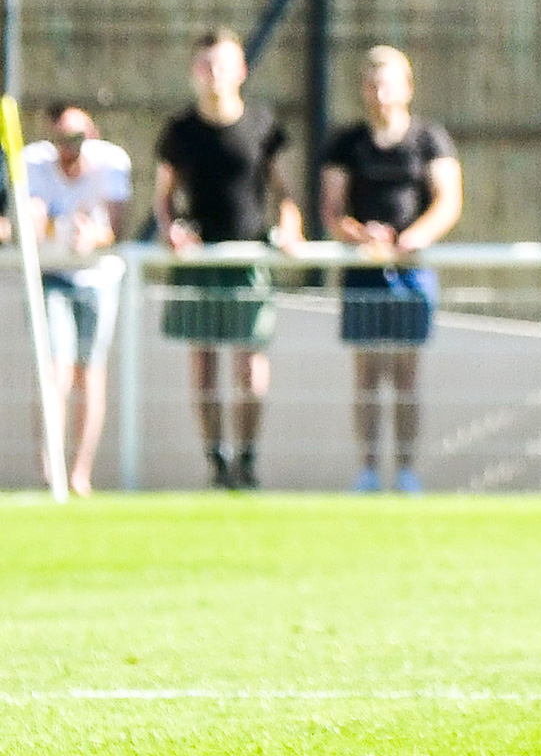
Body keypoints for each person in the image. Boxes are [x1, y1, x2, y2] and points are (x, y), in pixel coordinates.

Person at [155, 27, 302, 490]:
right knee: (203, 365)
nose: (212, 74)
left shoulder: (263, 125)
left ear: (240, 71)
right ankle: (216, 463)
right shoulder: (179, 131)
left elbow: (287, 193)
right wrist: (172, 231)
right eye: (204, 65)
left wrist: (291, 228)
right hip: (199, 261)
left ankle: (247, 459)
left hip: (248, 258)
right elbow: (163, 200)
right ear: (193, 72)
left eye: (221, 64)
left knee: (249, 364)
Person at [319, 46, 463, 494]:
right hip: (364, 270)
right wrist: (364, 236)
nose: (380, 93)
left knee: (405, 373)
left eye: (389, 82)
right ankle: (367, 470)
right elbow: (332, 209)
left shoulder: (429, 139)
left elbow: (448, 201)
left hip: (412, 272)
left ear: (407, 87)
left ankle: (405, 470)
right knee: (366, 373)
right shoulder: (346, 142)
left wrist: (414, 237)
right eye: (372, 83)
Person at [22, 102, 131, 495]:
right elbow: (27, 218)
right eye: (63, 138)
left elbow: (114, 226)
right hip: (52, 276)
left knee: (89, 372)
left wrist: (93, 236)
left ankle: (80, 473)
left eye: (79, 137)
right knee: (55, 372)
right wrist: (35, 222)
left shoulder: (111, 163)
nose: (72, 147)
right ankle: (51, 472)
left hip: (97, 280)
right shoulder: (32, 162)